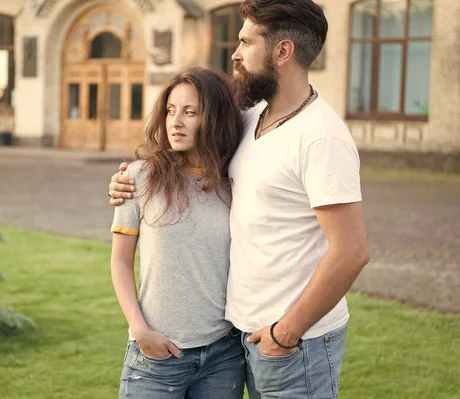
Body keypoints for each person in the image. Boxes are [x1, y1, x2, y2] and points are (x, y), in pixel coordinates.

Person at [108, 1, 371, 398]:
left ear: (282, 52)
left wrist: (285, 334)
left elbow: (351, 251)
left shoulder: (322, 137)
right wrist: (128, 181)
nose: (235, 53)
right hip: (243, 341)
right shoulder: (252, 118)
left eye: (246, 42)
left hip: (295, 343)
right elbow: (195, 154)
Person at [110, 67, 245, 399]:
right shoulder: (139, 177)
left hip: (223, 356)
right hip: (156, 354)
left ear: (213, 119)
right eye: (171, 111)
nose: (176, 122)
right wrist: (140, 330)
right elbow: (120, 263)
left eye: (190, 112)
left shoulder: (236, 182)